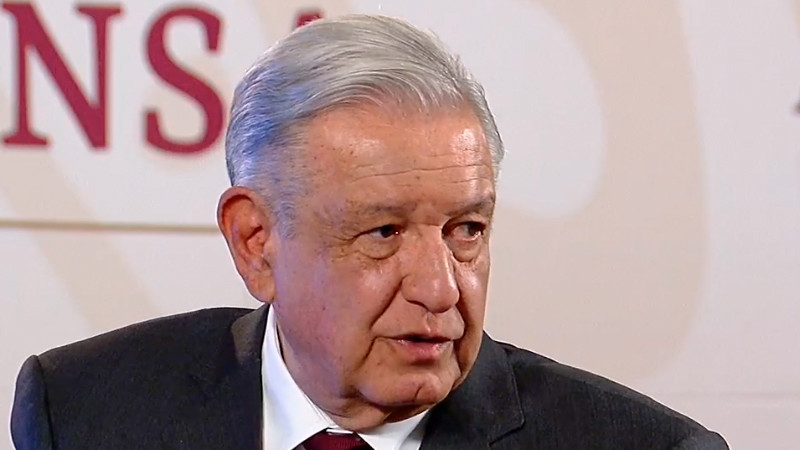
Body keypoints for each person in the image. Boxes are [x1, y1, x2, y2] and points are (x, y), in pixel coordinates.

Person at [11, 14, 728, 450]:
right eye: (384, 232)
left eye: (466, 229)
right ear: (256, 241)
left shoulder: (645, 447)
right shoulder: (83, 410)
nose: (441, 289)